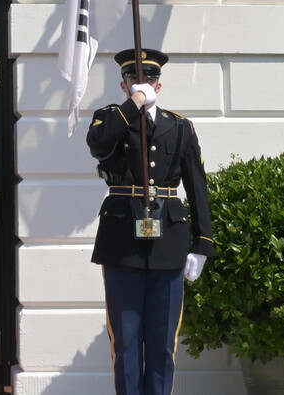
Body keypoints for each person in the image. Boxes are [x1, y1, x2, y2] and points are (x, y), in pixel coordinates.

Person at [87, 48, 213, 395]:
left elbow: (196, 185)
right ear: (124, 85)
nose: (141, 85)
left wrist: (202, 244)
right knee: (125, 343)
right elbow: (99, 144)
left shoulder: (180, 126)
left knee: (162, 344)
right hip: (121, 241)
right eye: (132, 80)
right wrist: (135, 103)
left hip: (169, 239)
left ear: (160, 82)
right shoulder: (109, 117)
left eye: (147, 80)